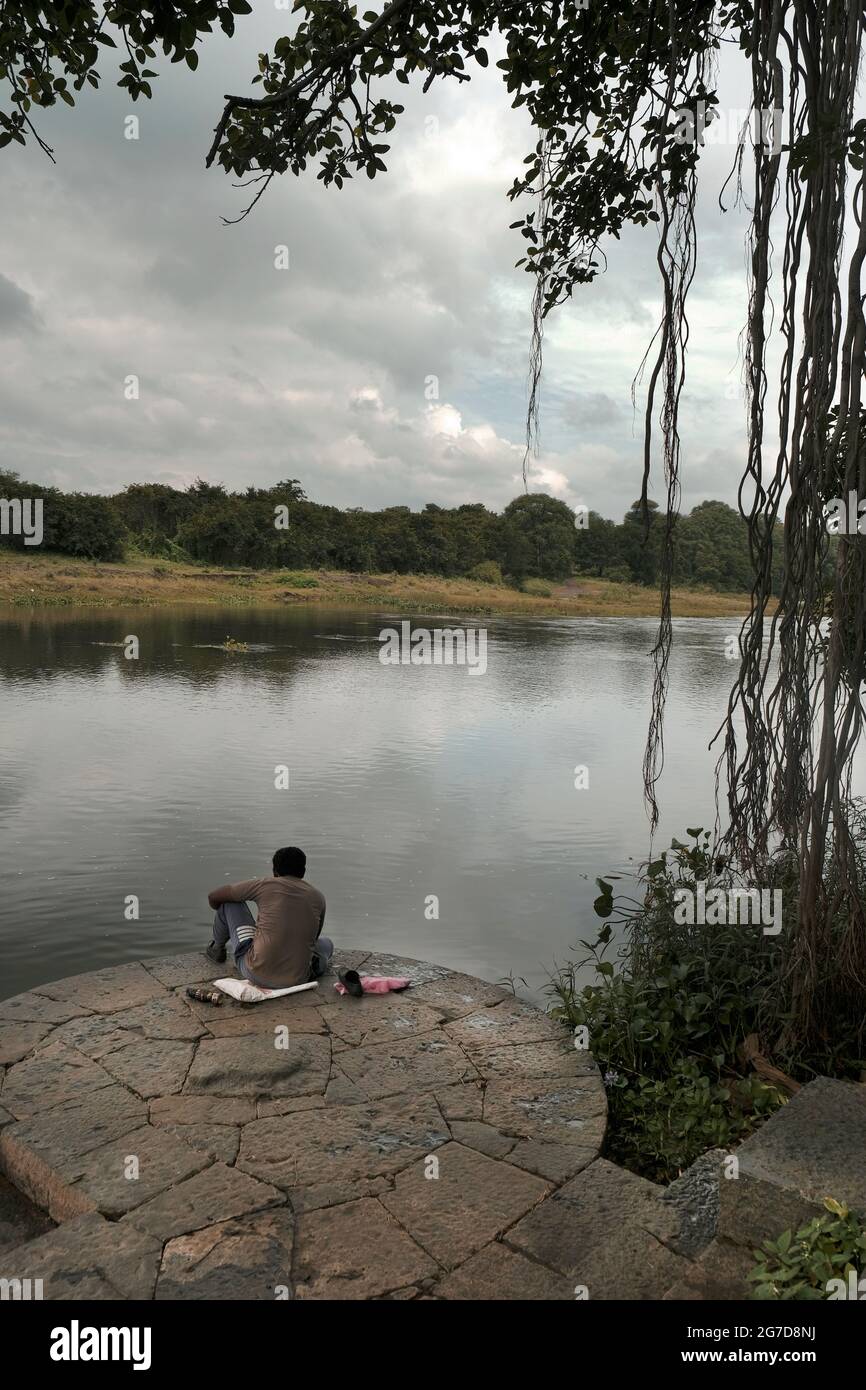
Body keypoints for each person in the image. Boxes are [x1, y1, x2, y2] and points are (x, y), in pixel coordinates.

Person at [205, 846, 332, 988]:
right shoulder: (318, 897)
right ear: (303, 872)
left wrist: (224, 918)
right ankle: (311, 966)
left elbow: (214, 896)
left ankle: (217, 948)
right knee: (326, 944)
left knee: (229, 903)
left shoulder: (264, 885)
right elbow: (313, 939)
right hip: (299, 978)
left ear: (274, 871)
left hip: (256, 973)